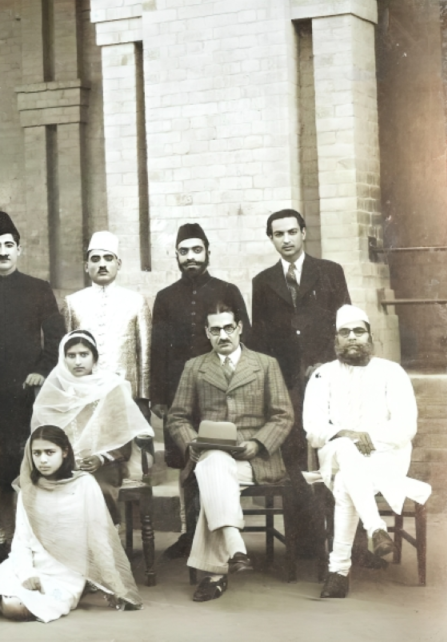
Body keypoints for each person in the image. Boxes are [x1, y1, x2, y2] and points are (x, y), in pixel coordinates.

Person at [165, 302, 293, 602]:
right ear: (207, 333)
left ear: (239, 328)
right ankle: (234, 548)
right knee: (214, 463)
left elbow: (283, 415)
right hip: (210, 454)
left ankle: (216, 572)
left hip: (256, 459)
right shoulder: (195, 366)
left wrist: (258, 443)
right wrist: (193, 443)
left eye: (228, 328)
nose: (222, 335)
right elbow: (177, 417)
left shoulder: (265, 364)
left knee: (212, 476)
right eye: (215, 330)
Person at [303, 305, 432, 599]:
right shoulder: (322, 375)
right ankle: (375, 528)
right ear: (336, 339)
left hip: (386, 459)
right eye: (344, 332)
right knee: (346, 452)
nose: (352, 338)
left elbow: (405, 427)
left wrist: (368, 438)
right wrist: (346, 434)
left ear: (370, 336)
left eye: (359, 331)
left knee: (348, 482)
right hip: (334, 459)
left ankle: (339, 572)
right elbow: (312, 428)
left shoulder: (392, 372)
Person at [0, 425, 142, 622]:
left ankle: (10, 598)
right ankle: (7, 594)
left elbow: (100, 537)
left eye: (50, 452)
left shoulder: (85, 484)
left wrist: (114, 585)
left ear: (65, 452)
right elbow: (22, 540)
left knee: (13, 607)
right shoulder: (29, 488)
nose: (43, 460)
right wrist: (26, 574)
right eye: (37, 453)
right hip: (27, 567)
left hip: (64, 574)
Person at [0, 211, 65, 540]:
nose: (3, 251)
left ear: (19, 250)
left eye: (8, 245)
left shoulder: (39, 289)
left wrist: (42, 370)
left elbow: (56, 335)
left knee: (33, 461)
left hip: (29, 393)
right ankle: (2, 537)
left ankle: (36, 533)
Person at [252, 209, 351, 555]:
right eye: (278, 234)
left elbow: (346, 324)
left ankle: (348, 542)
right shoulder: (263, 282)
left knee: (335, 457)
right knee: (294, 460)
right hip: (287, 387)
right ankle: (304, 546)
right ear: (271, 239)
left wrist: (326, 364)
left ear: (304, 233)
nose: (287, 240)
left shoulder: (329, 272)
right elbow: (261, 343)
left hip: (328, 381)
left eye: (292, 232)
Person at [149, 223, 251, 558]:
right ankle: (188, 532)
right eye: (184, 251)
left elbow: (243, 343)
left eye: (196, 250)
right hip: (179, 394)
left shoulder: (228, 290)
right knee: (184, 464)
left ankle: (217, 532)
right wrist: (159, 397)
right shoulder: (165, 298)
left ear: (207, 252)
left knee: (214, 459)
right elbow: (158, 350)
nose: (190, 257)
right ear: (175, 255)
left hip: (219, 392)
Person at [31, 330, 154, 524]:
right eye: (71, 356)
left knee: (98, 488)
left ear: (94, 358)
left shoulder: (112, 388)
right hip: (64, 462)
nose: (78, 362)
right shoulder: (55, 392)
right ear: (63, 359)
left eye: (84, 355)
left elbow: (123, 434)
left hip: (105, 463)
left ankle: (105, 543)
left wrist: (100, 458)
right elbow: (45, 436)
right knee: (53, 490)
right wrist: (67, 460)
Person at [62, 231, 151, 418]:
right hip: (84, 395)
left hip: (126, 395)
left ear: (118, 264)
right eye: (95, 259)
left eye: (108, 258)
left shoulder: (136, 301)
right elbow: (65, 354)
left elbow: (145, 354)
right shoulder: (73, 302)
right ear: (86, 266)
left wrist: (143, 398)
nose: (102, 264)